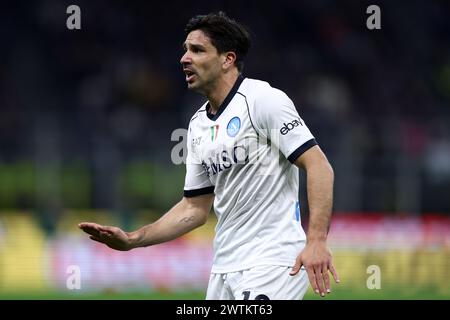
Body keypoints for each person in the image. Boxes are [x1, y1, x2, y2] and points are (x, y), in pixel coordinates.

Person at [79, 11, 339, 300]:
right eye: (185, 50)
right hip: (224, 269)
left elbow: (319, 165)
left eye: (197, 50)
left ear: (227, 59)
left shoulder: (263, 100)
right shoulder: (198, 125)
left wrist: (316, 240)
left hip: (273, 263)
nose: (184, 58)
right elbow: (194, 208)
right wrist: (133, 239)